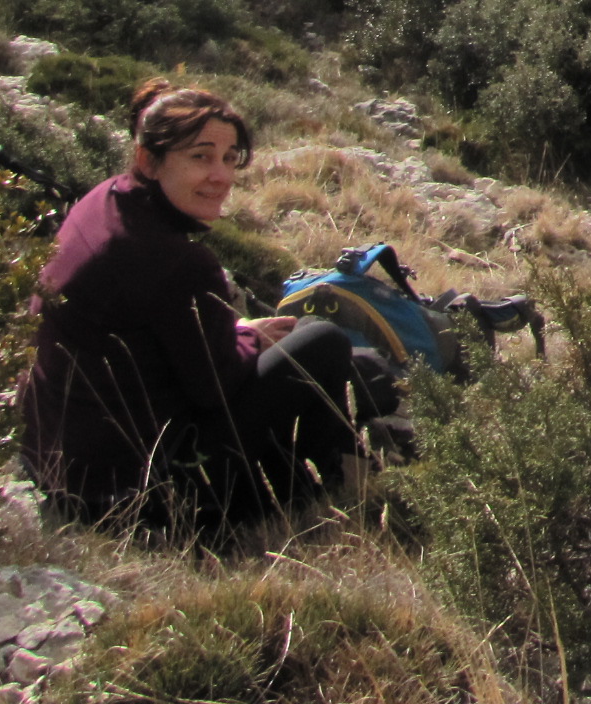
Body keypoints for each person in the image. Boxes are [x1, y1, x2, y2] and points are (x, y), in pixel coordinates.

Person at [20, 80, 394, 530]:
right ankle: (341, 491)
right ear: (148, 159)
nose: (220, 175)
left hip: (61, 469)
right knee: (323, 343)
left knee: (325, 358)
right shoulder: (173, 261)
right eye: (200, 157)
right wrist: (246, 338)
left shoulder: (103, 201)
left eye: (229, 158)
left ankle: (318, 489)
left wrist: (239, 336)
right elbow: (215, 387)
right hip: (129, 493)